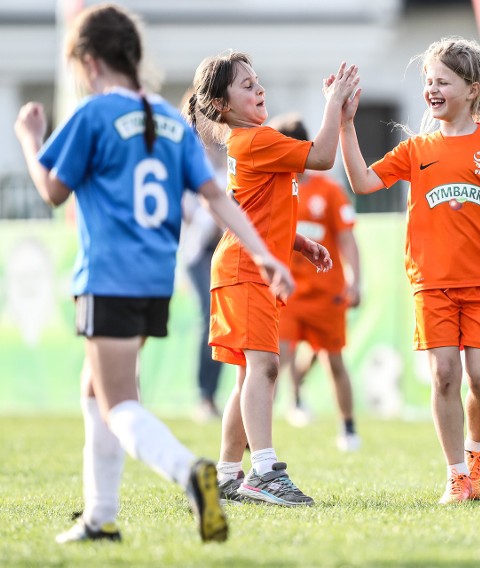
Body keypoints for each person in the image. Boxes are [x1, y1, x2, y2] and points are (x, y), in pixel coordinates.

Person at [13, 3, 293, 543]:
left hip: (107, 278)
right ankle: (100, 517)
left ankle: (191, 473)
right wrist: (264, 252)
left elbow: (51, 191)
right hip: (152, 280)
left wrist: (29, 137)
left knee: (118, 403)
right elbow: (217, 197)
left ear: (89, 61)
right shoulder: (169, 119)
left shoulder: (94, 114)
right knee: (95, 391)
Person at [339, 37, 480, 503]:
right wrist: (347, 125)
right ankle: (455, 476)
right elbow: (364, 182)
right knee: (445, 375)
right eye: (428, 81)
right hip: (431, 283)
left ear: (472, 89)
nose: (432, 88)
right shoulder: (417, 149)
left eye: (443, 81)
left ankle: (476, 452)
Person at [184, 51, 358, 506]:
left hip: (241, 265)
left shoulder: (251, 142)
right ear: (221, 106)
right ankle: (264, 471)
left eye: (257, 81)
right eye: (246, 85)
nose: (258, 88)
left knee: (249, 374)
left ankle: (226, 475)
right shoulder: (257, 139)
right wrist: (334, 104)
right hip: (245, 270)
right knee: (265, 367)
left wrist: (297, 242)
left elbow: (255, 211)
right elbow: (321, 156)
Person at [268, 114, 363, 451]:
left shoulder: (329, 191)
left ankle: (349, 429)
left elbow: (347, 239)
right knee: (273, 361)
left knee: (333, 360)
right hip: (286, 292)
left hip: (325, 293)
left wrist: (355, 280)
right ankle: (260, 436)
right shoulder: (274, 189)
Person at [181, 140, 226, 421]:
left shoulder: (228, 153)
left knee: (221, 321)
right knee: (209, 314)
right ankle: (204, 394)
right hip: (198, 252)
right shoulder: (190, 156)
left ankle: (211, 394)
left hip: (221, 250)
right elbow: (186, 208)